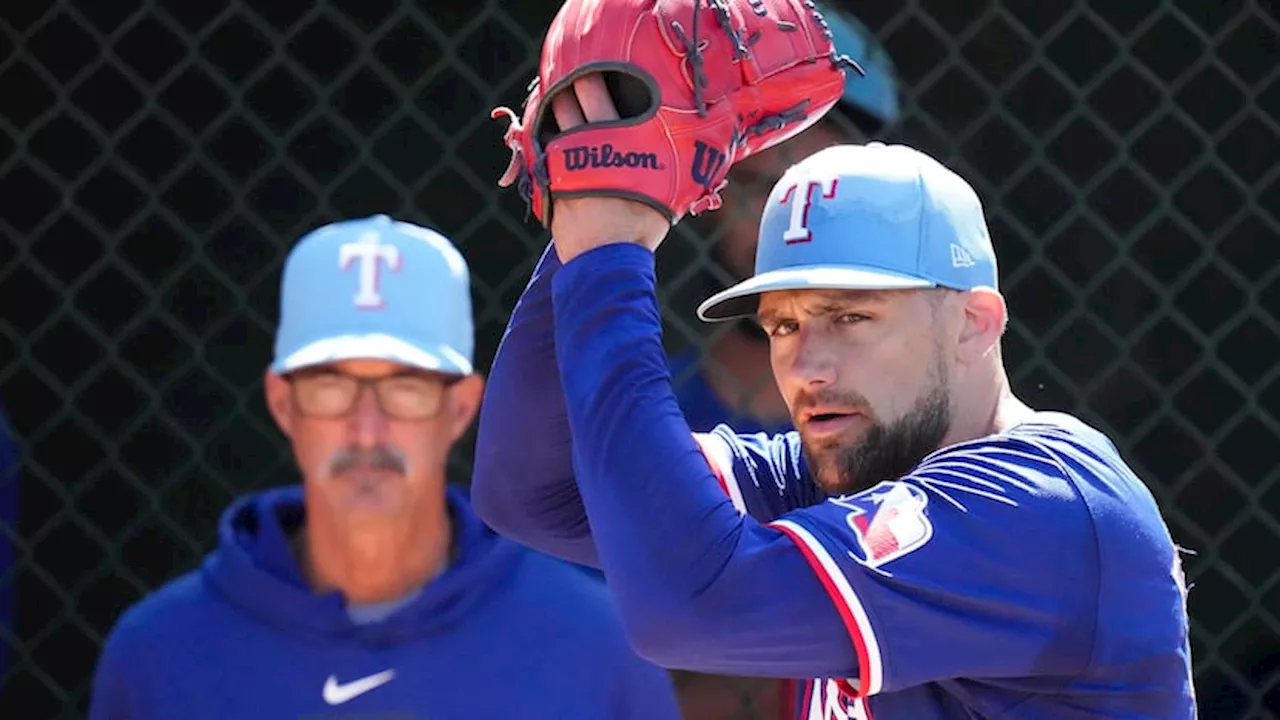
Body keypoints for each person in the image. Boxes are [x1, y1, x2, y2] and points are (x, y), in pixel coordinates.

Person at [471, 82, 1197, 716]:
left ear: (974, 324)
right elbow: (533, 491)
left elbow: (691, 611)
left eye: (852, 317)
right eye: (784, 324)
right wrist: (587, 226)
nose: (809, 365)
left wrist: (611, 260)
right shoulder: (850, 465)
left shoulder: (1041, 508)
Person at [88, 215, 682, 720]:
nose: (366, 430)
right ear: (282, 403)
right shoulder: (159, 656)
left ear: (459, 408)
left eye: (404, 388)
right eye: (331, 386)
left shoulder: (596, 645)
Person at [671, 3, 901, 438]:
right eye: (760, 186)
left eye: (820, 189)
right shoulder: (637, 424)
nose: (790, 218)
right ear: (708, 198)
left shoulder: (928, 426)